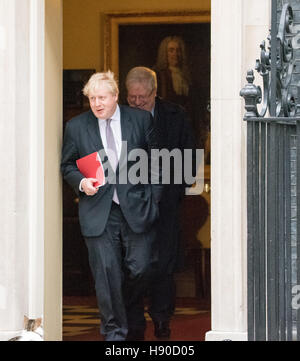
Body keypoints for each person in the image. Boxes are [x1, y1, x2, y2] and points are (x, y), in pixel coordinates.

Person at [61, 71, 163, 341]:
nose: (97, 103)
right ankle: (115, 334)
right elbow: (67, 165)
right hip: (98, 211)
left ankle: (129, 310)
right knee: (106, 275)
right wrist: (82, 184)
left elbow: (156, 162)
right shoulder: (76, 126)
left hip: (137, 209)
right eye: (92, 98)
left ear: (116, 96)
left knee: (140, 268)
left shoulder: (140, 119)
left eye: (102, 97)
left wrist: (153, 201)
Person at [125, 66, 196, 339]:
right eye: (132, 98)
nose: (138, 102)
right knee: (134, 266)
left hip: (166, 205)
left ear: (155, 92)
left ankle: (162, 319)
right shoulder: (120, 117)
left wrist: (176, 190)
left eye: (143, 97)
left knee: (164, 266)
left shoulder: (175, 116)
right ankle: (134, 323)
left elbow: (190, 156)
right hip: (131, 205)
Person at [154, 36, 191, 111]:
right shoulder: (159, 75)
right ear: (165, 54)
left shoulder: (186, 75)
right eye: (171, 50)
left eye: (178, 50)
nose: (175, 54)